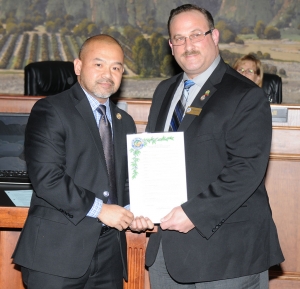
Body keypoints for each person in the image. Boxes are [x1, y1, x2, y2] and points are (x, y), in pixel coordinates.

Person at [144, 4, 284, 289]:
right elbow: (151, 157)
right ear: (171, 45)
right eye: (179, 38)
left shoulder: (246, 95)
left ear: (215, 36)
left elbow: (246, 170)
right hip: (166, 254)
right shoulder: (164, 91)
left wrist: (194, 213)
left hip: (226, 256)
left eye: (196, 34)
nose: (188, 45)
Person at [12, 34, 150, 289]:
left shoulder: (125, 122)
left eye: (116, 67)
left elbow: (127, 182)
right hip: (57, 255)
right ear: (78, 66)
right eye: (99, 64)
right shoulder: (51, 110)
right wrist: (101, 209)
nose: (108, 73)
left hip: (110, 255)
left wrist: (137, 210)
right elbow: (47, 179)